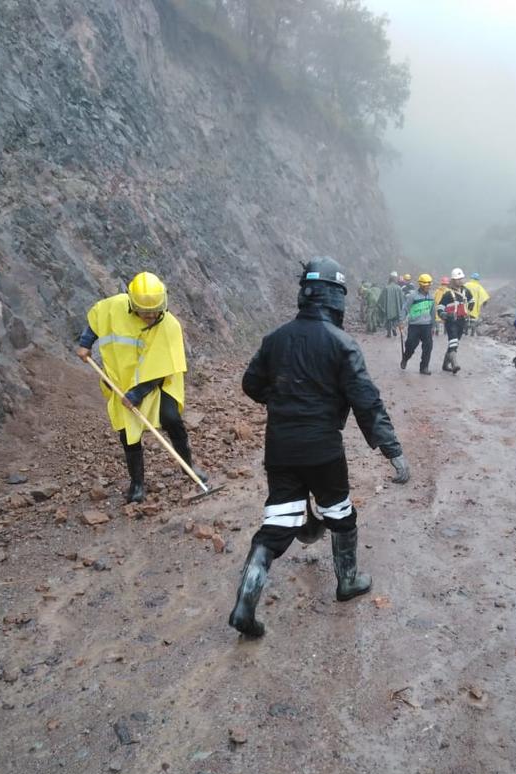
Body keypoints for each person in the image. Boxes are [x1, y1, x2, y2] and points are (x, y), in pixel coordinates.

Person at [228, 256, 410, 638]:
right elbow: (367, 401)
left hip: (279, 448)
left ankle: (246, 601)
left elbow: (250, 384)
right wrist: (393, 451)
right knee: (340, 513)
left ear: (305, 294)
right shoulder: (342, 343)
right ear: (336, 298)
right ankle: (347, 581)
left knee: (278, 522)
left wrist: (280, 401)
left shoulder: (275, 338)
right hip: (323, 449)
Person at [77, 271, 208, 504]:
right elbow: (96, 322)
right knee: (128, 433)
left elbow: (162, 366)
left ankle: (189, 466)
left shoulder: (169, 326)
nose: (150, 316)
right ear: (131, 304)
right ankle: (137, 483)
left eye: (154, 311)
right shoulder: (114, 307)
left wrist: (137, 394)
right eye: (144, 312)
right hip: (122, 380)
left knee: (171, 418)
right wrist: (86, 343)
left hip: (158, 382)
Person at [437, 268, 474, 374]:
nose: (460, 281)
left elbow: (472, 300)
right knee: (453, 340)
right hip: (451, 321)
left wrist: (468, 309)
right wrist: (443, 314)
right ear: (453, 280)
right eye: (457, 279)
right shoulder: (448, 294)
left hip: (462, 320)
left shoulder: (466, 291)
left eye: (461, 278)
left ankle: (445, 365)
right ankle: (454, 364)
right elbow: (440, 307)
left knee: (455, 342)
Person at [400, 274, 435, 373]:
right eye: (426, 285)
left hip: (427, 325)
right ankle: (405, 358)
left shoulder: (431, 297)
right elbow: (405, 308)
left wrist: (433, 326)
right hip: (414, 326)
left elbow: (432, 312)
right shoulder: (413, 296)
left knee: (428, 345)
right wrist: (401, 321)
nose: (428, 286)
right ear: (421, 285)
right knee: (410, 344)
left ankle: (424, 367)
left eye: (429, 284)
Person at [377, 272, 405, 338]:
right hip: (396, 308)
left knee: (388, 320)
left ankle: (389, 333)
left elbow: (381, 299)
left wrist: (381, 306)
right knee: (395, 319)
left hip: (388, 308)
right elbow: (402, 299)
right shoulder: (398, 288)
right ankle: (394, 328)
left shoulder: (386, 288)